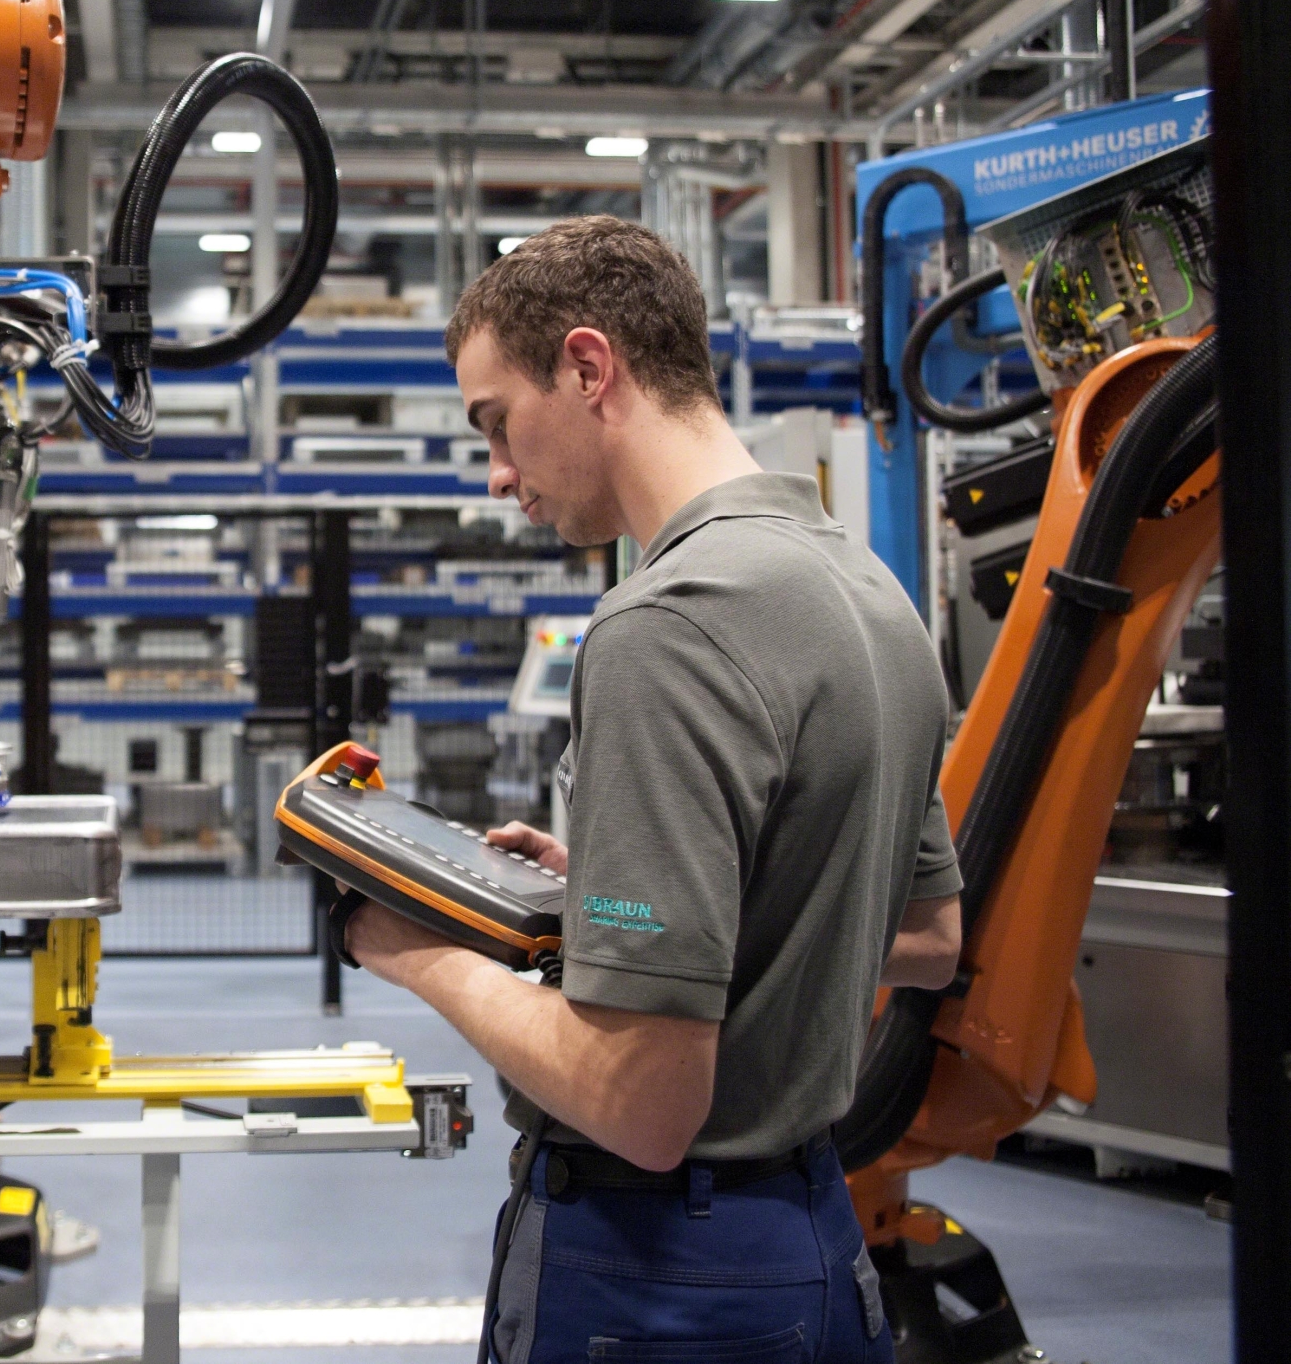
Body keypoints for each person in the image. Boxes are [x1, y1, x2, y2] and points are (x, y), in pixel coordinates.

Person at [342, 215, 965, 1363]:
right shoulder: (866, 591)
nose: (498, 476)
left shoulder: (665, 626)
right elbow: (924, 933)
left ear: (587, 368)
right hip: (816, 1250)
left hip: (658, 1281)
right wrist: (629, 894)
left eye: (496, 424)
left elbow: (642, 1102)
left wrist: (418, 951)